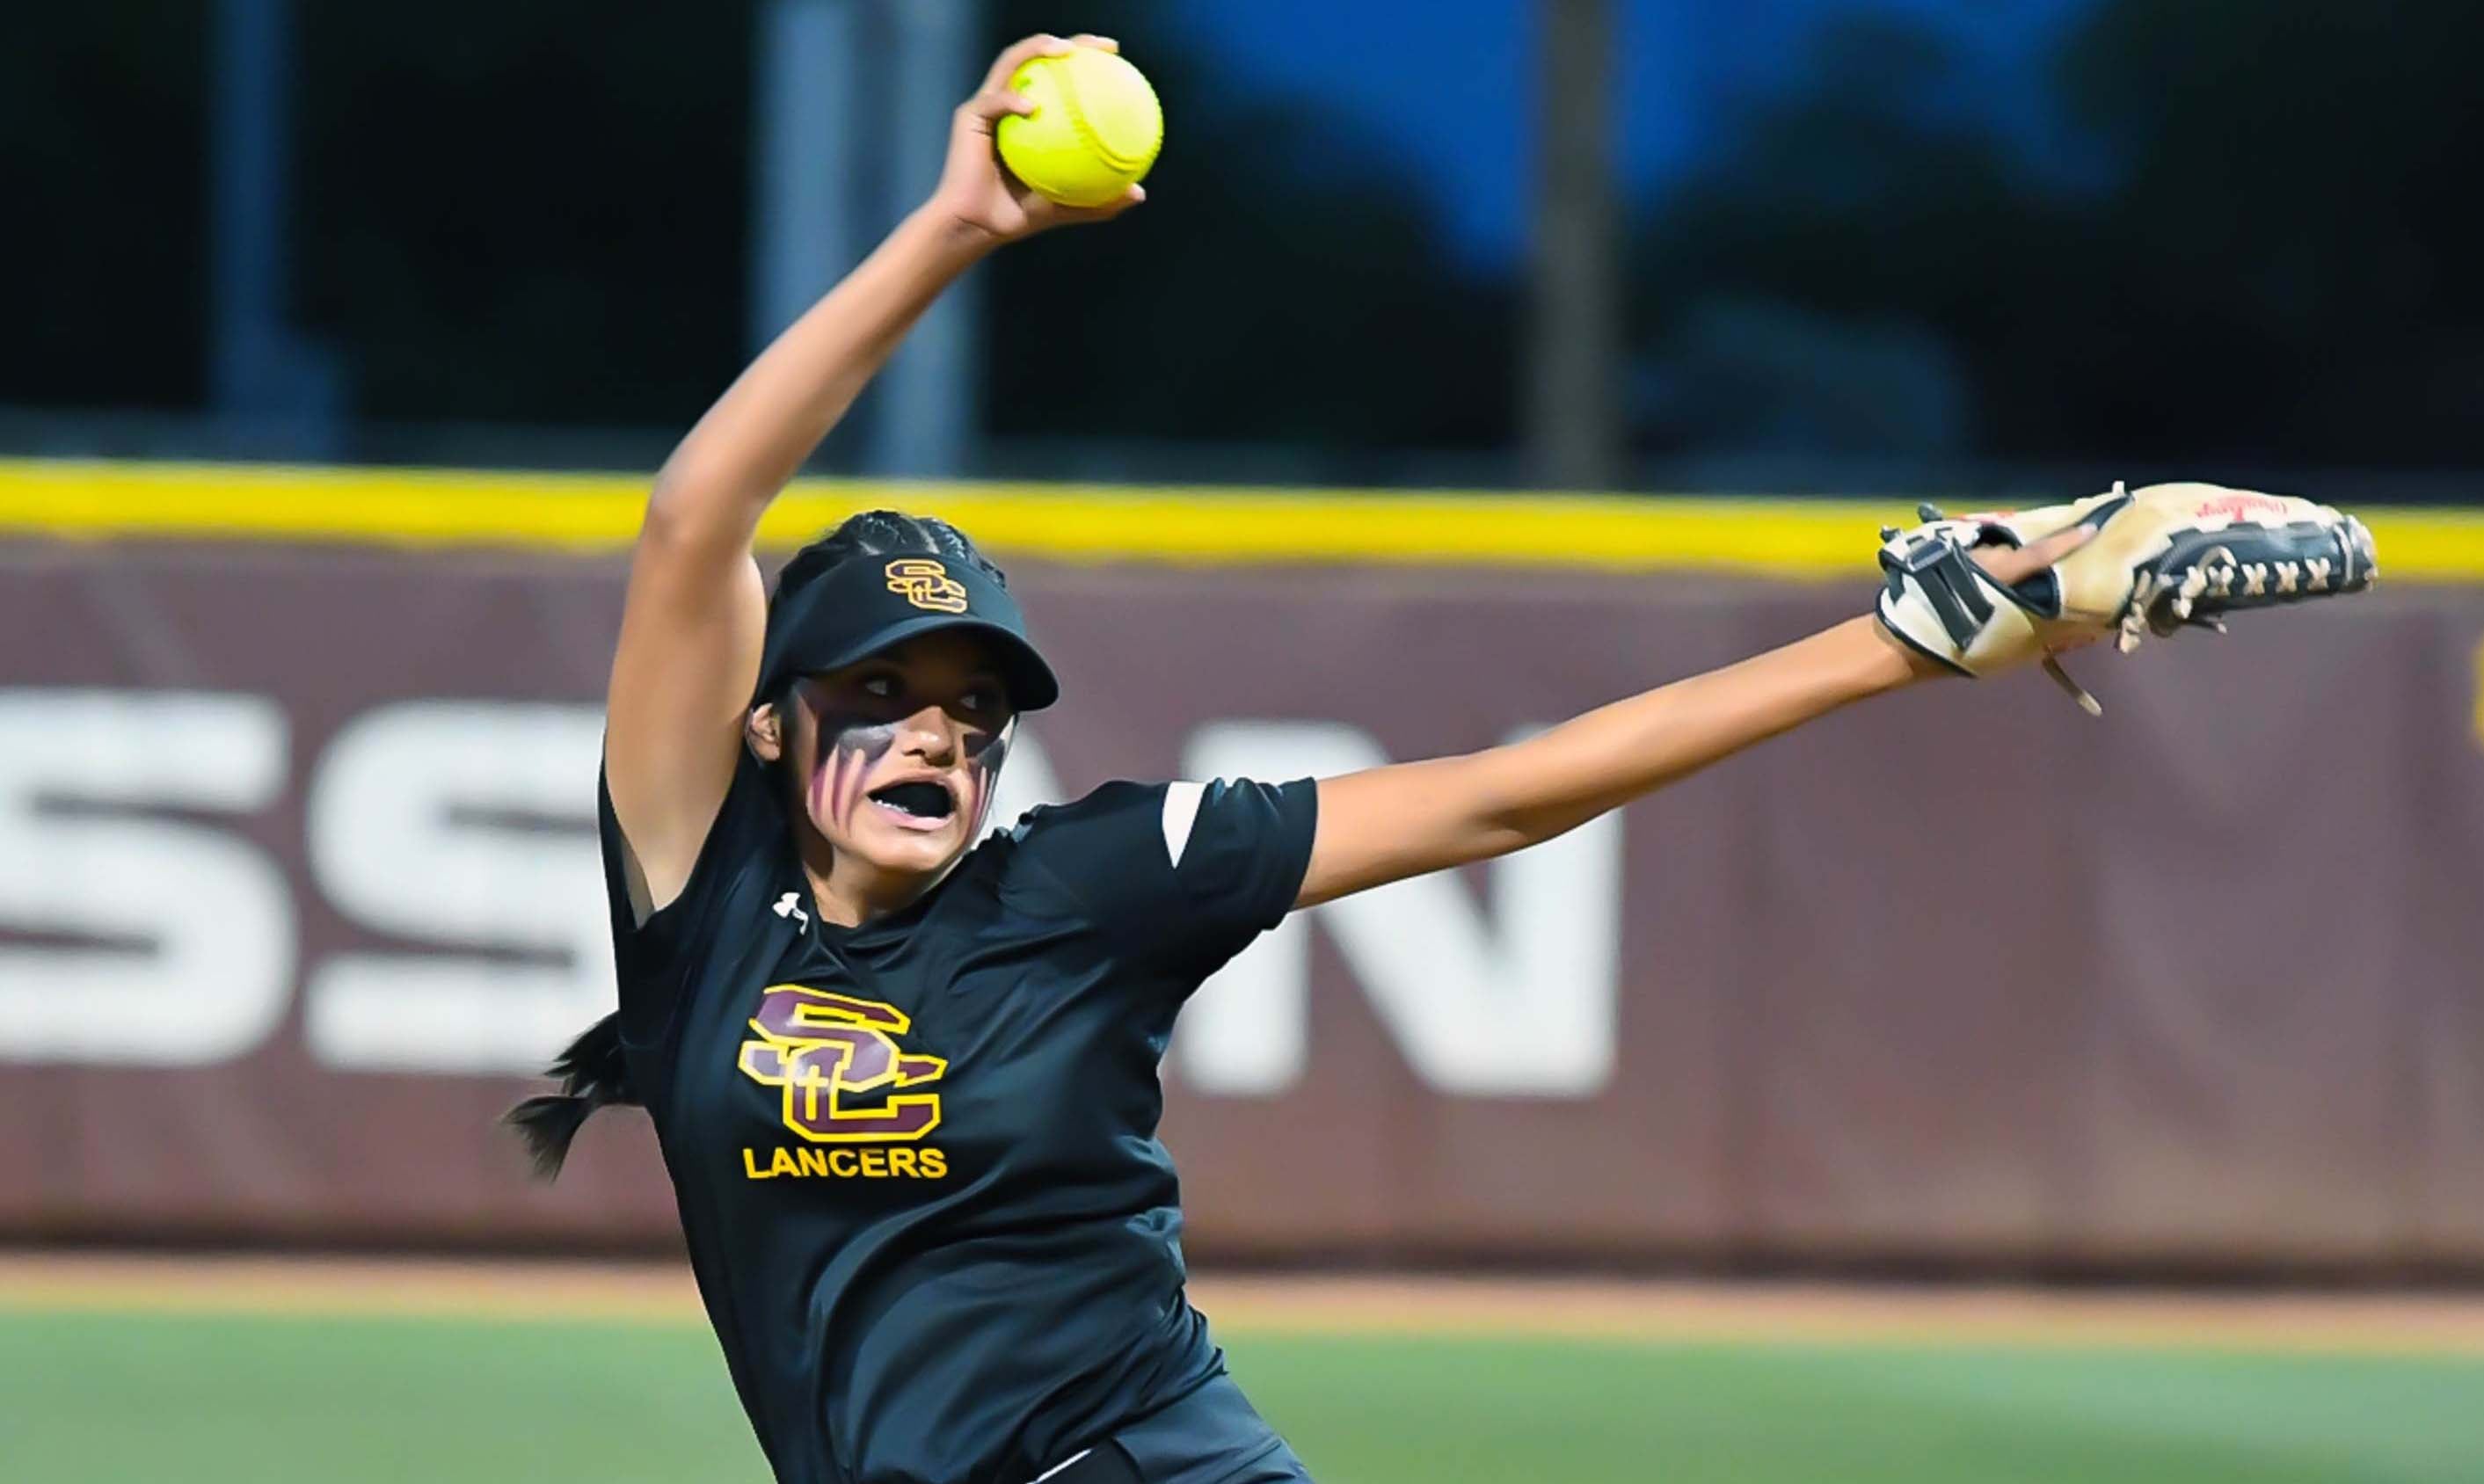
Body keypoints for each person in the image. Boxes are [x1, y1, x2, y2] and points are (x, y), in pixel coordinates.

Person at [510, 33, 2101, 1484]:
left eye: (975, 705)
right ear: (768, 724)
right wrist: (954, 231)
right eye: (881, 687)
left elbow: (1499, 799)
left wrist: (1895, 644)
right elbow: (694, 517)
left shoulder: (1090, 884)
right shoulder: (705, 911)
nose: (937, 727)